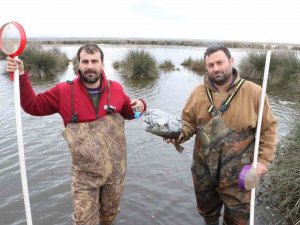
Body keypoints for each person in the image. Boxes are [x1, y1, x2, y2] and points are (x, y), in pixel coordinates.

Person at [6, 43, 146, 225]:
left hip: (116, 172)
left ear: (102, 64)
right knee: (84, 221)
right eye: (85, 61)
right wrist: (21, 76)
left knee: (109, 216)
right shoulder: (64, 91)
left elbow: (129, 112)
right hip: (84, 176)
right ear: (78, 64)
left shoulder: (116, 89)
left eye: (94, 61)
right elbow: (33, 106)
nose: (90, 66)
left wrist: (141, 105)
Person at [165, 45, 277, 225]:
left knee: (238, 218)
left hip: (239, 174)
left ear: (231, 61)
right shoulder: (197, 93)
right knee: (207, 213)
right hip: (203, 172)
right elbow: (188, 124)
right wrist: (178, 135)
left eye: (220, 62)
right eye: (210, 65)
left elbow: (269, 129)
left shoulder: (254, 92)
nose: (215, 68)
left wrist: (263, 162)